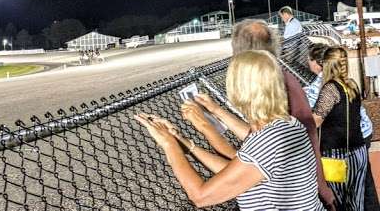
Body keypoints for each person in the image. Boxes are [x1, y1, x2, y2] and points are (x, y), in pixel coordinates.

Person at [135, 50, 322, 210]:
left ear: (239, 89)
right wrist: (183, 142)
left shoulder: (268, 141)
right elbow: (237, 171)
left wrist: (168, 144)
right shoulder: (286, 124)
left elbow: (201, 196)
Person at [184, 19, 336, 208]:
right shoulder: (280, 85)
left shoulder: (275, 88)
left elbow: (258, 152)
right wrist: (215, 113)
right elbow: (255, 150)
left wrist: (184, 136)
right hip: (307, 188)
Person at [312, 47, 375, 211]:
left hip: (337, 155)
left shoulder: (330, 89)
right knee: (357, 201)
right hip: (358, 151)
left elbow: (315, 121)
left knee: (338, 202)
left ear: (327, 64)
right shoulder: (352, 85)